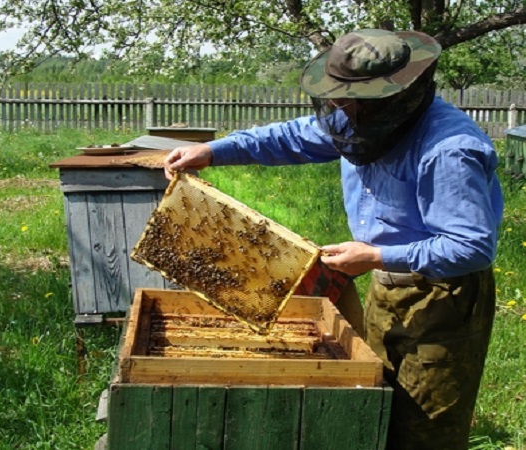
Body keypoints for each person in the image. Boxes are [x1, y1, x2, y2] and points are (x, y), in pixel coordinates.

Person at [164, 28, 503, 450]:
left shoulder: (450, 149)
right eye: (338, 98)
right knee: (374, 402)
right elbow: (291, 137)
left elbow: (471, 247)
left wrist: (377, 255)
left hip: (444, 298)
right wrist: (215, 150)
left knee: (424, 429)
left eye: (352, 100)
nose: (340, 110)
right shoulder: (358, 119)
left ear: (394, 98)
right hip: (385, 284)